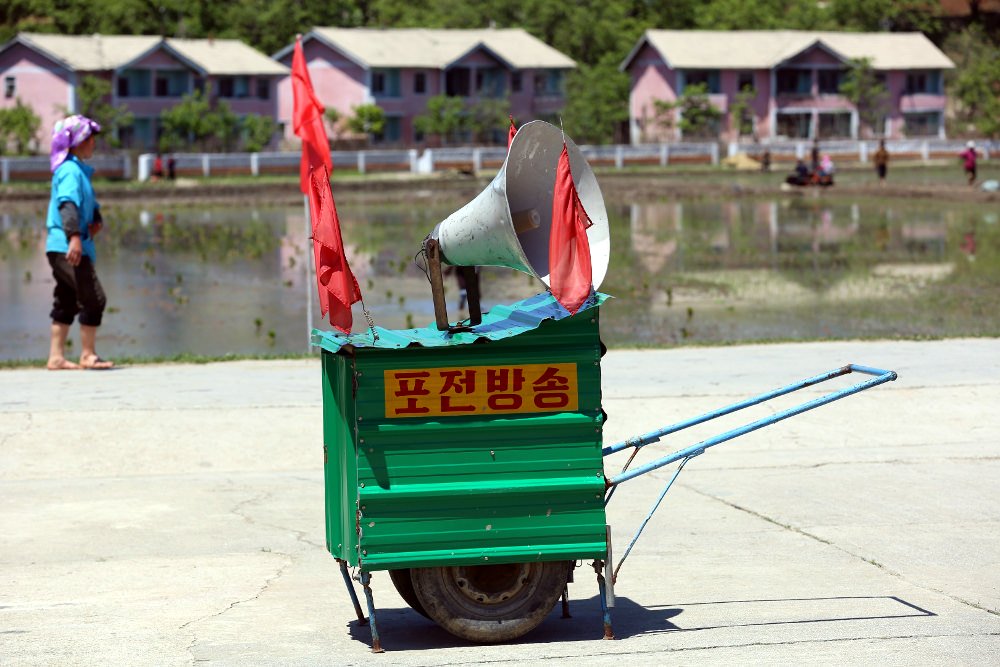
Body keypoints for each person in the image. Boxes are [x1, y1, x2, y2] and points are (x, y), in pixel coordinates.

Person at [44, 114, 114, 370]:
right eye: (89, 138)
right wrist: (74, 237)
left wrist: (95, 220)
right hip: (68, 246)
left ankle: (56, 357)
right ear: (76, 142)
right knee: (93, 297)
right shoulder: (71, 171)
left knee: (67, 298)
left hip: (63, 245)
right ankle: (88, 354)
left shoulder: (77, 171)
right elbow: (68, 205)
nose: (94, 142)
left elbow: (88, 206)